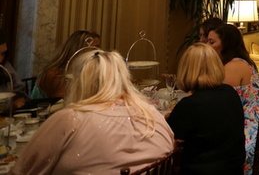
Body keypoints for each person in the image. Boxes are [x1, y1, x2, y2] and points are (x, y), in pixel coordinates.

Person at [10, 49, 173, 174]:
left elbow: (22, 170)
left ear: (79, 82)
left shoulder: (70, 119)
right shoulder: (152, 114)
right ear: (124, 79)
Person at [169, 43, 245, 175]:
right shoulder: (230, 92)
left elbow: (168, 138)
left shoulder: (189, 105)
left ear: (186, 70)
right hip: (234, 169)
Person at [208, 24, 259, 175]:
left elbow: (215, 103)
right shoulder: (241, 61)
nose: (207, 46)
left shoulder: (233, 66)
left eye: (211, 42)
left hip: (252, 135)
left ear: (226, 43)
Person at [33, 29, 101, 99]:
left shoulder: (89, 72)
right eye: (95, 48)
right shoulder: (55, 74)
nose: (98, 52)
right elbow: (60, 103)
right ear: (79, 49)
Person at [0, 29, 27, 110]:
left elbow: (19, 91)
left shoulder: (5, 67)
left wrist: (18, 100)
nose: (0, 60)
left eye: (2, 54)